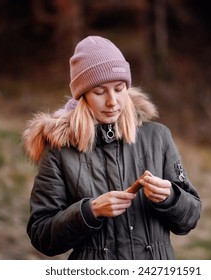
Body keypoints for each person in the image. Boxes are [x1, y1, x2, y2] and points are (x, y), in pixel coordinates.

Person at [23, 36, 201, 260]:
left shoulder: (158, 136)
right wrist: (90, 211)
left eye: (119, 89)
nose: (112, 101)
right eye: (99, 92)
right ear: (83, 96)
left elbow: (190, 219)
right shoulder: (59, 149)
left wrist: (171, 197)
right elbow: (42, 235)